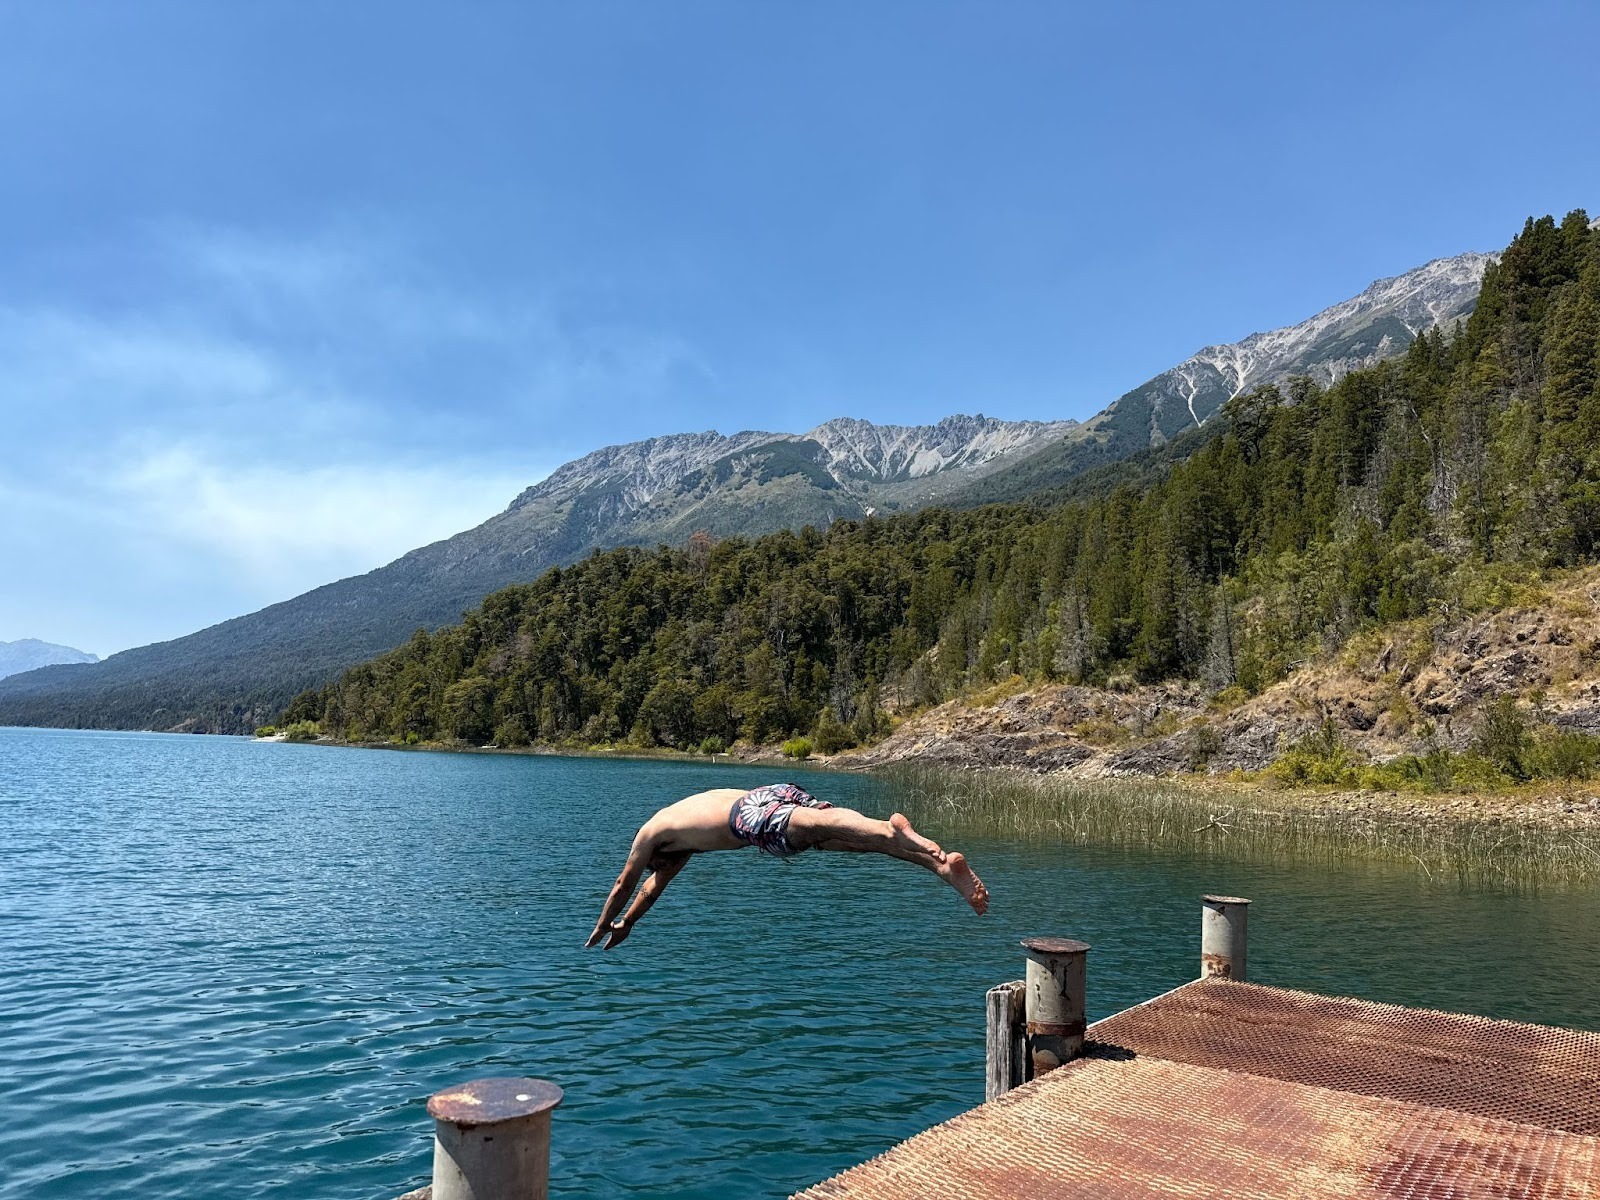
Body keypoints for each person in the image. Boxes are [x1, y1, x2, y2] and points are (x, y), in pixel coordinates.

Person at [585, 782, 988, 949]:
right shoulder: (677, 833)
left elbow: (627, 884)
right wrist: (630, 924)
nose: (658, 871)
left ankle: (889, 829)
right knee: (841, 839)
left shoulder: (649, 836)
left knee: (820, 831)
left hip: (745, 817)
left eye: (654, 867)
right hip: (769, 792)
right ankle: (939, 868)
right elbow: (651, 889)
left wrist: (604, 923)